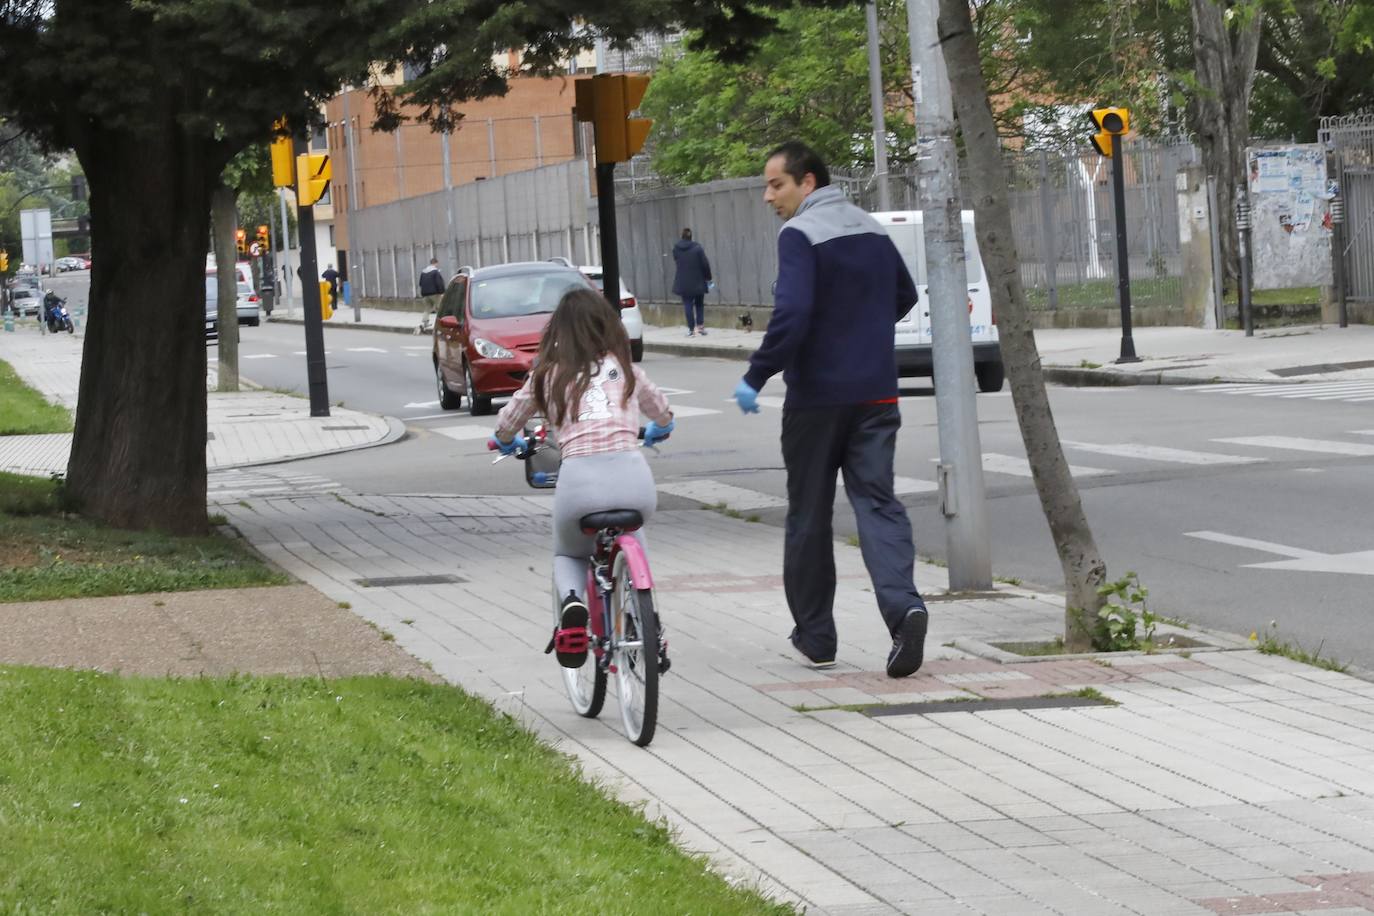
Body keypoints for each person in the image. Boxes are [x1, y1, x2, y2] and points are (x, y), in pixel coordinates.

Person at [731, 140, 928, 678]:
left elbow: (792, 313)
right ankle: (904, 607)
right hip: (877, 394)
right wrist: (860, 333)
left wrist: (755, 375)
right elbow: (904, 296)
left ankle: (817, 637)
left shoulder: (799, 234)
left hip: (817, 399)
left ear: (808, 183)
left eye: (777, 184)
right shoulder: (870, 227)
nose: (768, 196)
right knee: (878, 503)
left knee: (809, 515)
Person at [490, 288, 675, 668]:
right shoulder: (625, 368)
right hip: (634, 480)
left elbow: (509, 420)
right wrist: (661, 426)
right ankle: (648, 618)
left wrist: (503, 440)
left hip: (580, 485)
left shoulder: (548, 374)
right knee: (634, 531)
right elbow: (661, 411)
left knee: (568, 552)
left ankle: (573, 604)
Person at [671, 228, 713, 337]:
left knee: (688, 304)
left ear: (682, 236)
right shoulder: (697, 248)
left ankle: (691, 330)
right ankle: (700, 327)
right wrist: (708, 277)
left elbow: (676, 260)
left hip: (684, 281)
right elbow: (705, 264)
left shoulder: (676, 249)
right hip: (698, 280)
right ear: (691, 237)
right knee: (699, 304)